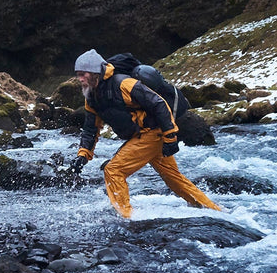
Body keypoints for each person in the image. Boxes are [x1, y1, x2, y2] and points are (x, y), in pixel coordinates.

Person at [70, 49, 220, 218]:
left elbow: (159, 104)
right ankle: (214, 211)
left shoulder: (124, 84)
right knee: (173, 178)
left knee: (113, 171)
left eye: (83, 74)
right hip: (143, 137)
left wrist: (170, 137)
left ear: (95, 72)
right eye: (78, 75)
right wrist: (83, 154)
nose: (80, 79)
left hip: (152, 134)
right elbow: (91, 128)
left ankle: (126, 217)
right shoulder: (91, 96)